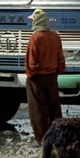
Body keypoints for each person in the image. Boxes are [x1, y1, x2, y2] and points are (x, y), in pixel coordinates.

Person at [25, 8, 65, 144]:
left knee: (38, 111)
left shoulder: (35, 37)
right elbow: (60, 58)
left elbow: (31, 62)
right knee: (54, 107)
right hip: (52, 76)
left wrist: (31, 75)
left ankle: (43, 140)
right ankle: (58, 135)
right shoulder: (55, 35)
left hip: (38, 78)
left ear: (36, 21)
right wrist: (56, 71)